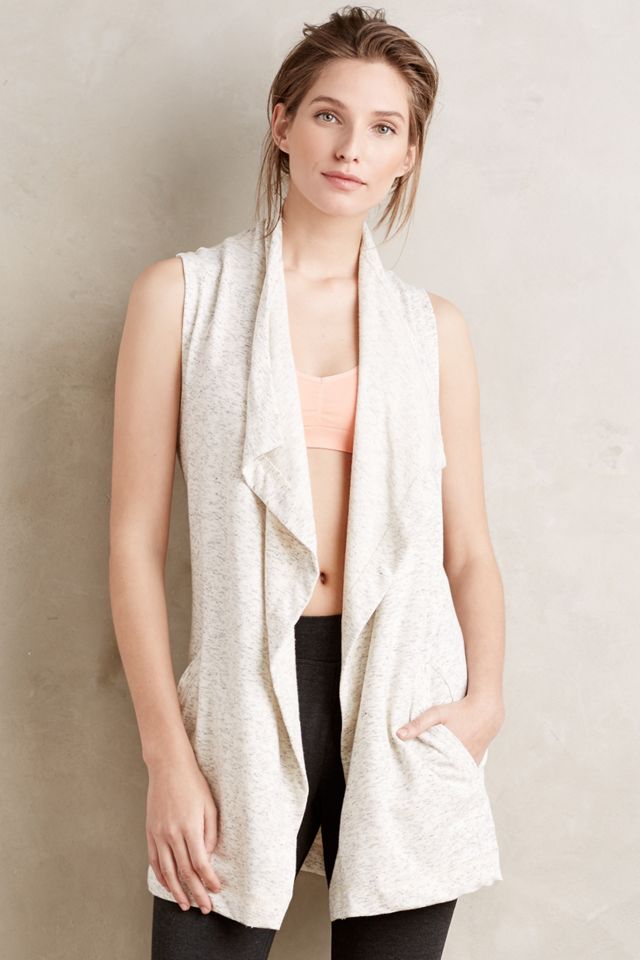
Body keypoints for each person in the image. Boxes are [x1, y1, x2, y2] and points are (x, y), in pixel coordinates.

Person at [109, 6, 506, 959]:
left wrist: (484, 702)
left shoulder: (433, 331)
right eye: (329, 115)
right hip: (241, 696)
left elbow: (467, 550)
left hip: (405, 699)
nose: (351, 148)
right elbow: (131, 540)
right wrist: (168, 758)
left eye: (383, 127)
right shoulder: (181, 297)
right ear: (282, 122)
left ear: (408, 155)